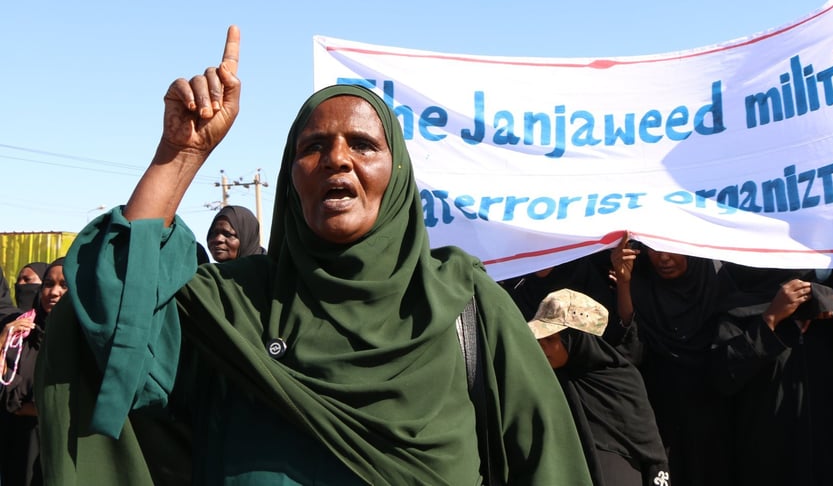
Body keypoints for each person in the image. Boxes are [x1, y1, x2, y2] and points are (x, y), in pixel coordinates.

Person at [36, 26, 589, 485]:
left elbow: (550, 465)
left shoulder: (465, 307)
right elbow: (111, 320)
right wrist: (180, 155)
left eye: (363, 145)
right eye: (313, 147)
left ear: (397, 175)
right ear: (290, 178)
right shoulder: (235, 306)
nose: (337, 160)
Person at [712, 262, 833, 486]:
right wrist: (770, 319)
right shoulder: (740, 302)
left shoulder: (829, 307)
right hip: (770, 462)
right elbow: (724, 378)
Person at [610, 236, 731, 486]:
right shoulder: (642, 283)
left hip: (715, 412)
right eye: (654, 249)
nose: (663, 258)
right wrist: (624, 284)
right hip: (660, 413)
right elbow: (631, 348)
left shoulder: (717, 283)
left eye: (671, 248)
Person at [528, 289, 670, 486]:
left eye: (550, 339)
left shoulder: (621, 381)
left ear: (576, 339)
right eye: (539, 340)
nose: (541, 347)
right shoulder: (544, 381)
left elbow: (650, 450)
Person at [1, 258, 66, 486]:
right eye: (48, 284)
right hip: (18, 450)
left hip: (59, 450)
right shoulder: (24, 335)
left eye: (64, 285)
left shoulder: (84, 342)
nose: (54, 292)